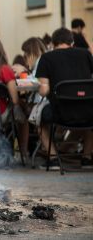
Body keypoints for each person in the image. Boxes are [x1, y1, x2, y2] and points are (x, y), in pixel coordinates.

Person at [36, 27, 93, 168]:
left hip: (60, 112)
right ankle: (86, 158)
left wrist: (38, 86)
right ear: (71, 42)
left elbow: (44, 91)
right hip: (88, 111)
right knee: (89, 123)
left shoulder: (46, 58)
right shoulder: (86, 54)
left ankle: (54, 159)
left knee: (37, 120)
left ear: (53, 43)